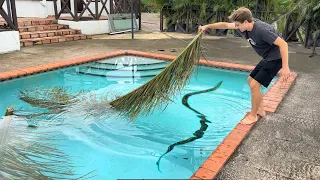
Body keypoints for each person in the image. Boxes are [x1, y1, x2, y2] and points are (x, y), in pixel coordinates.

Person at [199, 7, 291, 125]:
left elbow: (283, 44)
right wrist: (207, 26)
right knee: (250, 80)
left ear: (246, 22)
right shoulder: (244, 26)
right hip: (268, 57)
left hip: (276, 58)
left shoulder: (261, 30)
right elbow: (226, 25)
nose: (236, 27)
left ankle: (253, 116)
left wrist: (285, 67)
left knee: (254, 85)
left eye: (237, 25)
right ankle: (260, 110)